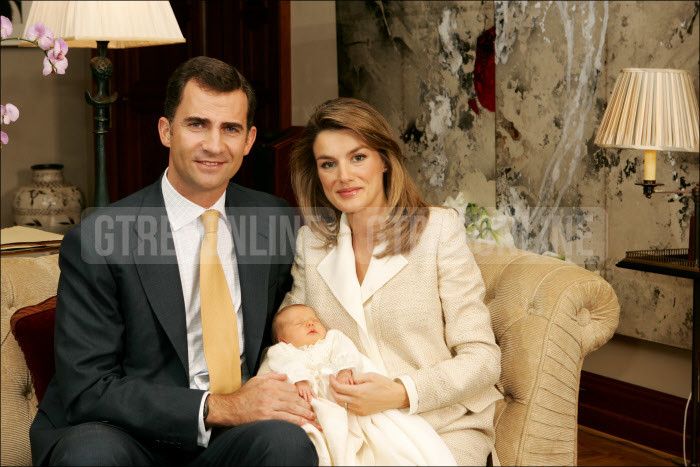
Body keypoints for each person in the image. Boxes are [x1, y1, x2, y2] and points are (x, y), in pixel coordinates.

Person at [29, 56, 318, 466]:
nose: (215, 145)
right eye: (197, 124)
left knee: (285, 443)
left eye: (230, 128)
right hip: (123, 435)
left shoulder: (271, 219)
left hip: (230, 441)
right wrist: (219, 407)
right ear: (166, 130)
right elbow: (89, 388)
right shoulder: (101, 237)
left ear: (250, 140)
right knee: (90, 456)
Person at [283, 97, 503, 466]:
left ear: (384, 160)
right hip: (351, 432)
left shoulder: (437, 230)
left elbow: (482, 359)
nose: (344, 176)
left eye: (358, 157)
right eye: (328, 164)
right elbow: (290, 336)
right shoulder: (311, 246)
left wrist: (402, 392)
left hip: (443, 424)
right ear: (317, 173)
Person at [264, 303, 457, 466]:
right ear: (283, 340)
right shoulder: (284, 351)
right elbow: (281, 362)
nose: (310, 323)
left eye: (314, 320)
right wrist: (300, 380)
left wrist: (345, 370)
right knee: (320, 439)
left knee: (378, 440)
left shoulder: (332, 339)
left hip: (349, 400)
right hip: (314, 407)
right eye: (300, 323)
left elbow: (347, 351)